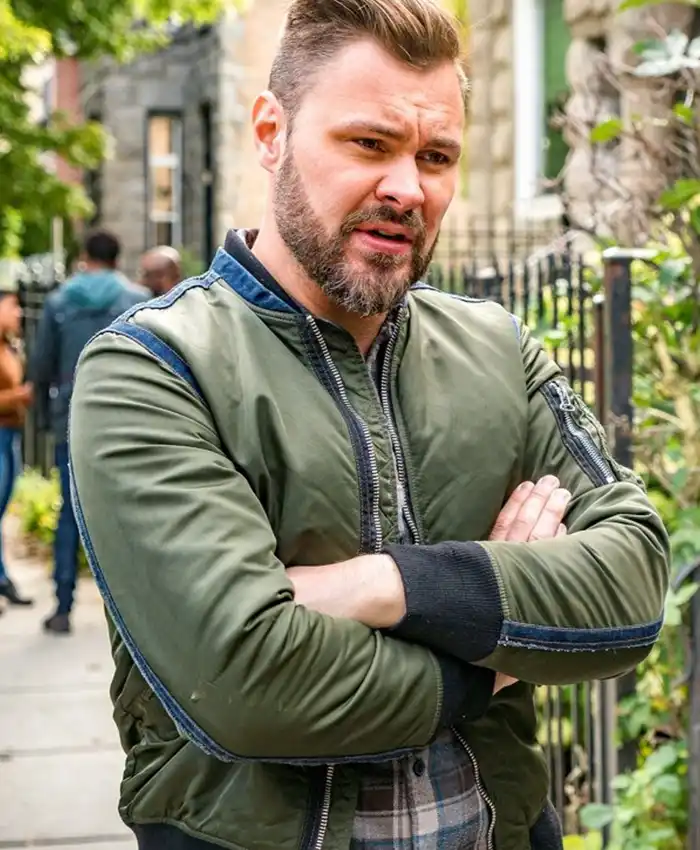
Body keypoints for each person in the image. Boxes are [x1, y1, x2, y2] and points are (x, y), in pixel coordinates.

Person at [68, 1, 669, 849]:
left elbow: (633, 586)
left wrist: (387, 586)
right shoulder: (155, 368)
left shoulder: (499, 350)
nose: (407, 188)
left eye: (436, 156)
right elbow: (246, 686)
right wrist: (496, 649)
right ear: (271, 132)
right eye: (369, 144)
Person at [30, 228, 148, 634]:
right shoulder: (136, 300)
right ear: (117, 257)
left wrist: (44, 419)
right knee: (131, 515)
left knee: (70, 512)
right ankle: (136, 612)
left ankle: (63, 607)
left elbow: (40, 367)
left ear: (85, 256)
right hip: (129, 420)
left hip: (72, 419)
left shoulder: (59, 301)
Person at [0, 281, 33, 610]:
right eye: (12, 305)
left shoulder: (9, 346)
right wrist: (19, 395)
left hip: (10, 433)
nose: (19, 312)